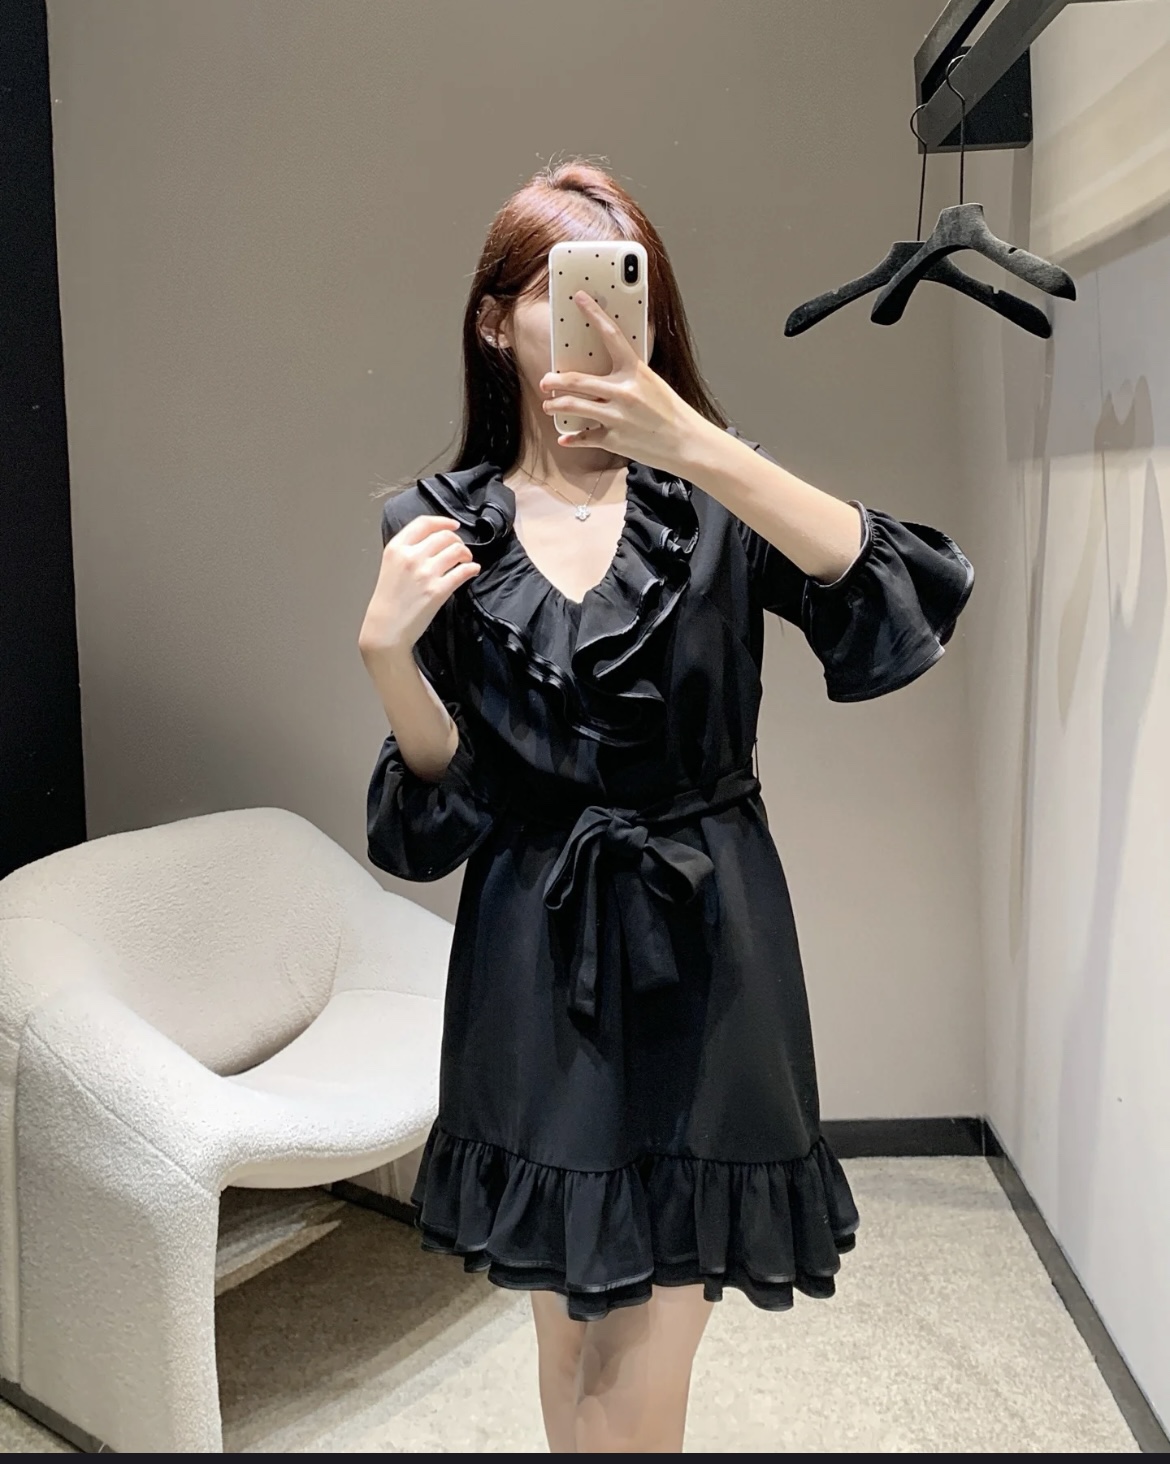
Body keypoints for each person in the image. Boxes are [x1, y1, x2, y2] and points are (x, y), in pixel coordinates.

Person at [358, 161, 974, 1453]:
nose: (598, 316)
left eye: (624, 288)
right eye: (559, 289)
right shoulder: (440, 526)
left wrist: (694, 441)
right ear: (494, 322)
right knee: (567, 1327)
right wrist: (388, 660)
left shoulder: (714, 503)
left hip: (710, 938)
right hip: (534, 947)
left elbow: (893, 595)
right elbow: (437, 813)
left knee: (649, 1338)